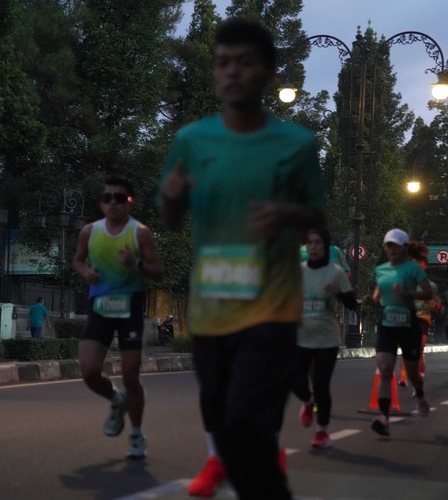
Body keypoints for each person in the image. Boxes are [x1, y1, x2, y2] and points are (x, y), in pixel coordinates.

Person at [159, 17, 325, 500]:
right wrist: (170, 197)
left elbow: (318, 216)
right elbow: (171, 219)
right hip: (210, 312)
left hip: (270, 311)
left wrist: (287, 213)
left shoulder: (298, 145)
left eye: (244, 62)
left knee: (245, 426)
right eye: (222, 63)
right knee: (223, 426)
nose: (231, 72)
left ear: (268, 73)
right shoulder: (192, 141)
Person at [73, 175, 164, 459]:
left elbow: (158, 271)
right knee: (88, 370)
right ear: (101, 203)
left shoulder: (140, 233)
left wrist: (135, 263)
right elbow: (78, 260)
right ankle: (116, 399)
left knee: (130, 375)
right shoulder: (89, 231)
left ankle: (136, 434)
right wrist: (86, 273)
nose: (113, 202)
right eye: (107, 197)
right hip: (100, 307)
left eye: (119, 197)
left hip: (130, 308)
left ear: (129, 202)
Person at [291, 227, 357, 449]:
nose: (313, 247)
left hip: (327, 338)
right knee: (294, 379)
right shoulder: (298, 272)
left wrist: (336, 292)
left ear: (326, 247)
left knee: (321, 385)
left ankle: (321, 431)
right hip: (302, 335)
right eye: (309, 243)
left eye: (318, 243)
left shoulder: (335, 273)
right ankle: (308, 401)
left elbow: (352, 303)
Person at [365, 229, 432, 437]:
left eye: (395, 246)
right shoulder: (381, 270)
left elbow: (428, 292)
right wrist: (370, 300)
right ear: (385, 248)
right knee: (385, 369)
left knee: (412, 374)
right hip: (387, 324)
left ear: (404, 248)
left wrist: (408, 293)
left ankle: (420, 394)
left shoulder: (413, 269)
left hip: (408, 324)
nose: (392, 249)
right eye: (388, 245)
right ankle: (384, 419)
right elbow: (377, 296)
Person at [398, 241, 442, 386]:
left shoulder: (431, 286)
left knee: (419, 350)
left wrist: (434, 305)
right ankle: (403, 378)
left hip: (422, 320)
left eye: (420, 262)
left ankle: (419, 375)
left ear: (424, 266)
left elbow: (438, 305)